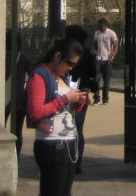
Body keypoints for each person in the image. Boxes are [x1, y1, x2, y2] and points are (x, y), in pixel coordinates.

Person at [26, 37, 91, 196]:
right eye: (69, 63)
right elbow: (36, 111)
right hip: (51, 143)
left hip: (67, 142)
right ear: (57, 56)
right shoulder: (39, 76)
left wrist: (78, 102)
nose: (70, 68)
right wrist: (65, 99)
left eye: (74, 64)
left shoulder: (62, 78)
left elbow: (66, 110)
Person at [65, 25, 97, 173]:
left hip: (67, 92)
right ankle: (77, 160)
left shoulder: (68, 52)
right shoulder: (88, 55)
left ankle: (69, 158)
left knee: (67, 127)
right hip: (83, 93)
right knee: (78, 128)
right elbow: (93, 74)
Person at [92, 18, 119, 105]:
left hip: (107, 59)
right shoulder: (97, 33)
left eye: (101, 26)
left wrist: (112, 56)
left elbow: (115, 46)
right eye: (99, 26)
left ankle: (105, 98)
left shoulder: (111, 33)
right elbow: (95, 44)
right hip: (98, 58)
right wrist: (94, 51)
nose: (100, 28)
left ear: (105, 26)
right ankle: (96, 98)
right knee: (96, 79)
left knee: (106, 80)